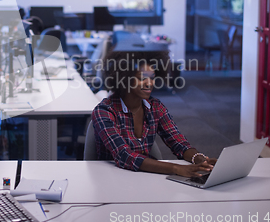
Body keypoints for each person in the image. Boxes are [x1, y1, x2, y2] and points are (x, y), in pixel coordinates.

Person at [92, 50, 217, 178]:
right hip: (111, 180)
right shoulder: (105, 111)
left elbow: (179, 143)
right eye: (142, 78)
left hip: (146, 177)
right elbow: (125, 155)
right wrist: (177, 168)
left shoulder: (155, 107)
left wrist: (199, 159)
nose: (150, 83)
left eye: (152, 77)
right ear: (124, 79)